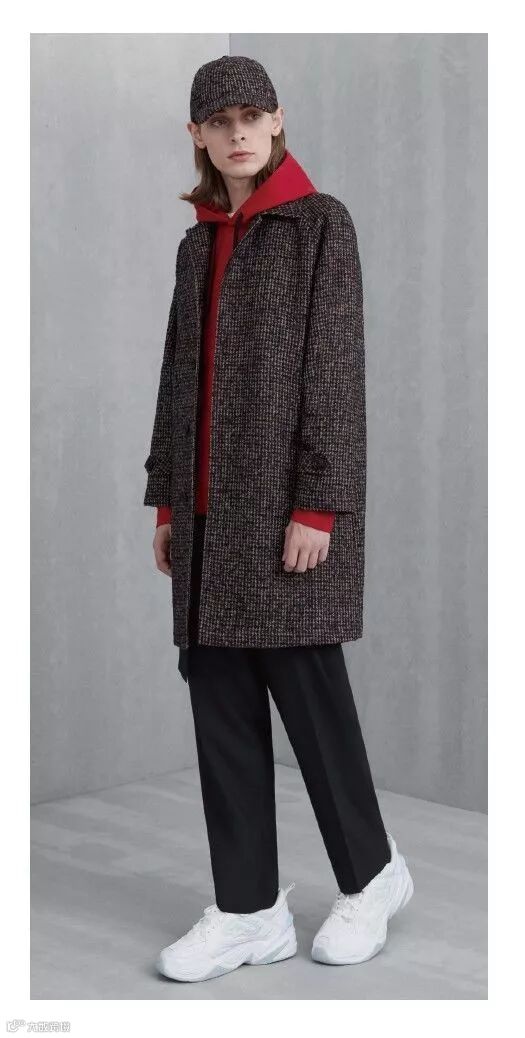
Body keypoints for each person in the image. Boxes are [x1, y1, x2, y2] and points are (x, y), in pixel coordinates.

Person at [144, 55, 414, 984]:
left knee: (310, 697)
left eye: (251, 116)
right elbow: (177, 379)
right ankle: (247, 910)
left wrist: (317, 505)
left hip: (283, 512)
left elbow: (335, 370)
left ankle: (371, 877)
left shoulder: (320, 224)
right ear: (196, 134)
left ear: (276, 121)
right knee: (218, 705)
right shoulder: (195, 245)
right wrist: (168, 499)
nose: (237, 134)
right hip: (207, 517)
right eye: (219, 121)